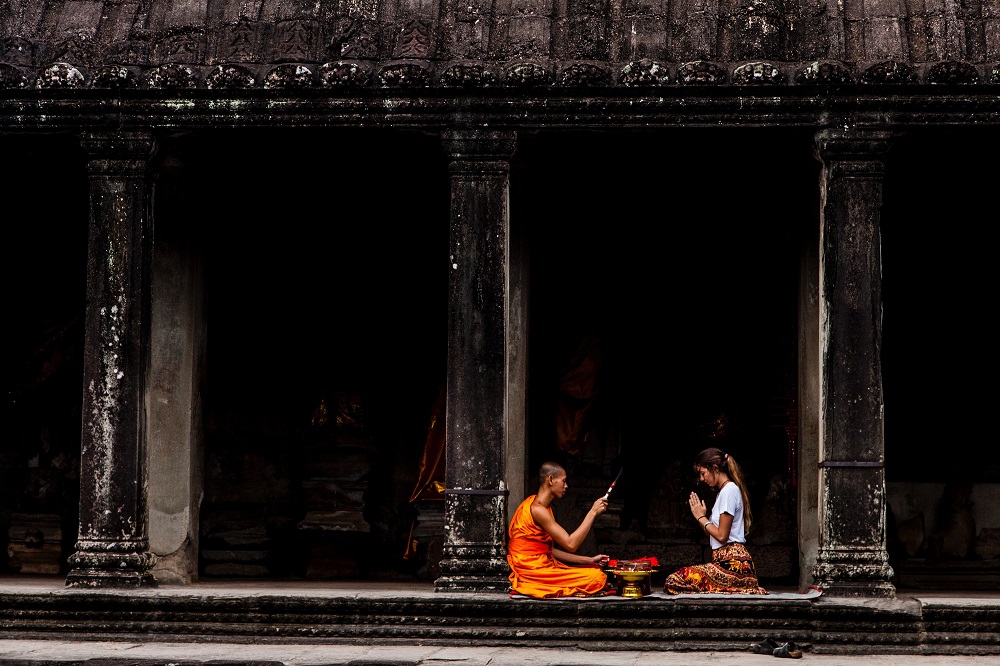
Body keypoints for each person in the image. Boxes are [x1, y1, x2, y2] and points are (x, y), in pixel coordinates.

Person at [662, 447, 767, 594]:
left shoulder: (729, 491)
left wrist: (701, 517)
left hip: (732, 565)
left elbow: (722, 536)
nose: (702, 479)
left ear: (715, 469)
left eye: (703, 473)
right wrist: (701, 517)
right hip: (727, 563)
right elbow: (716, 536)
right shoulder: (724, 492)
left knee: (674, 580)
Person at [506, 461, 612, 598]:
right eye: (563, 481)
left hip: (540, 563)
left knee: (594, 571)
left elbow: (548, 550)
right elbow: (571, 544)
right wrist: (592, 512)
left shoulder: (542, 507)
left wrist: (589, 560)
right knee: (596, 577)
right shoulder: (537, 509)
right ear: (550, 480)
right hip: (530, 569)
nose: (566, 486)